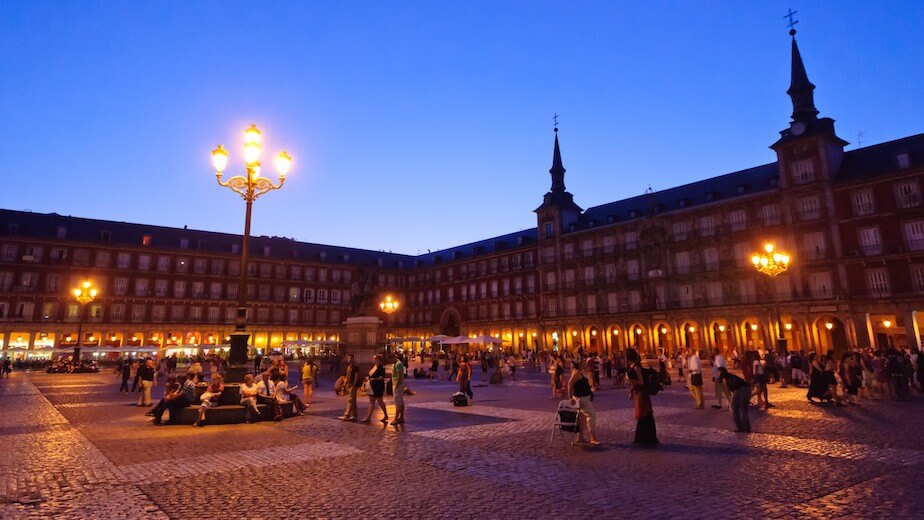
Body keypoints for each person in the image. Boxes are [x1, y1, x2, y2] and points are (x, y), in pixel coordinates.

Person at [626, 348, 658, 447]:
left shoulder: (636, 367)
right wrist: (631, 391)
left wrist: (630, 380)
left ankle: (645, 437)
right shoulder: (632, 366)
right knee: (642, 414)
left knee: (643, 413)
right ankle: (643, 437)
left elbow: (641, 382)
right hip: (638, 392)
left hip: (642, 393)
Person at [568, 360, 599, 445]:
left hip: (583, 398)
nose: (585, 363)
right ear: (579, 364)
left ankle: (580, 437)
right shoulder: (577, 372)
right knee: (591, 415)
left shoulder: (580, 372)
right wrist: (570, 397)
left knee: (582, 418)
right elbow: (570, 384)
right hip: (581, 398)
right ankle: (593, 437)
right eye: (583, 362)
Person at [718, 367, 751, 433]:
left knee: (735, 408)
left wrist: (730, 401)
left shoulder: (723, 376)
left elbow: (727, 387)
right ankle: (747, 428)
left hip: (739, 390)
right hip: (747, 389)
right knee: (744, 408)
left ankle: (740, 427)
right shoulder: (731, 375)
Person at [361, 355, 388, 424]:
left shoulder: (381, 367)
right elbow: (370, 375)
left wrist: (373, 379)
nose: (373, 360)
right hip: (372, 385)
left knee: (379, 400)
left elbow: (382, 377)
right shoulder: (374, 366)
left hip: (378, 386)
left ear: (378, 360)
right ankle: (368, 417)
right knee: (371, 401)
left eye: (375, 359)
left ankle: (385, 415)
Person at [339, 354, 362, 421]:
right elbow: (348, 376)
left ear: (353, 358)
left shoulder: (355, 366)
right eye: (348, 358)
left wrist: (354, 384)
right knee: (353, 401)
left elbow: (356, 376)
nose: (349, 360)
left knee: (350, 400)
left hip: (353, 385)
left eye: (350, 358)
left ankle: (347, 414)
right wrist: (345, 384)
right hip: (350, 384)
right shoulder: (349, 366)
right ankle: (354, 415)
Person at [391, 355, 406, 426]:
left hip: (398, 385)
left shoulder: (398, 364)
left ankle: (396, 418)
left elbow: (399, 376)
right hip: (397, 384)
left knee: (397, 403)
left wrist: (396, 385)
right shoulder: (395, 364)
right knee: (400, 401)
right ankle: (401, 417)